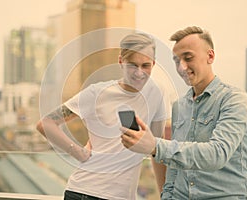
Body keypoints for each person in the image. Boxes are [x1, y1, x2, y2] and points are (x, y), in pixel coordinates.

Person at [121, 26, 247, 199]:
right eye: (176, 61)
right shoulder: (179, 106)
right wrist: (167, 195)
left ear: (210, 56)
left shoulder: (235, 99)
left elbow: (217, 154)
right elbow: (175, 168)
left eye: (188, 58)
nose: (182, 67)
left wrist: (155, 145)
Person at [36, 32, 171, 200]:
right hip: (83, 193)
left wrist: (165, 195)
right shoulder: (97, 93)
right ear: (121, 61)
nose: (139, 72)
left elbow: (156, 148)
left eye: (146, 65)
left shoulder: (157, 93)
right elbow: (46, 124)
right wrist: (79, 153)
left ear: (154, 63)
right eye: (132, 65)